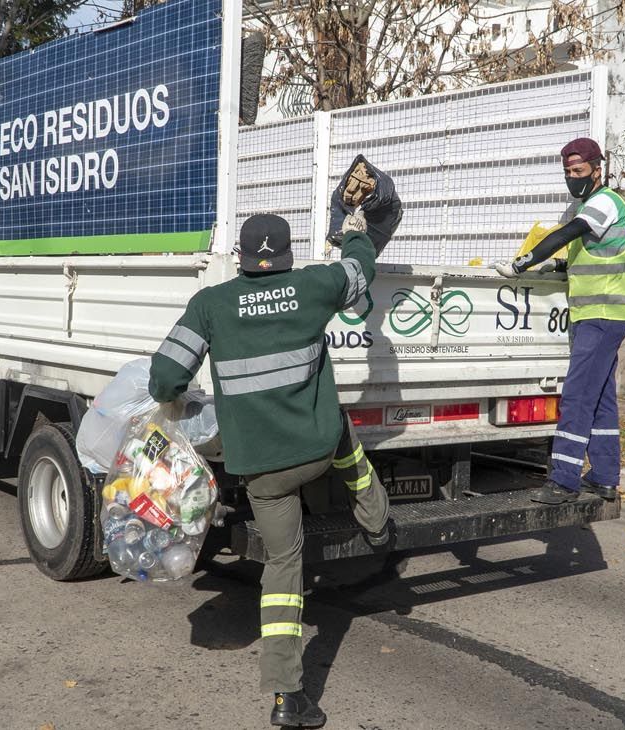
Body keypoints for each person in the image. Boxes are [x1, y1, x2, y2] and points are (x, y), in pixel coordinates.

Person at [150, 211, 392, 728]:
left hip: (263, 472)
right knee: (343, 434)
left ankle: (287, 696)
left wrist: (172, 401)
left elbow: (166, 375)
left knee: (284, 569)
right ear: (286, 254)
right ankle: (377, 522)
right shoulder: (313, 285)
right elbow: (360, 266)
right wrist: (352, 230)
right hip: (319, 449)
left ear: (240, 256)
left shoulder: (210, 304)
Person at [491, 137, 625, 505]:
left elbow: (569, 234)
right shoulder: (589, 204)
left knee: (577, 396)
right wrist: (551, 264)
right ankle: (603, 477)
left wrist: (525, 261)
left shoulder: (604, 202)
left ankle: (564, 480)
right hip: (599, 316)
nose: (573, 177)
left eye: (579, 171)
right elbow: (580, 257)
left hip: (601, 316)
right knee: (601, 398)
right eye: (568, 172)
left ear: (597, 170)